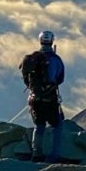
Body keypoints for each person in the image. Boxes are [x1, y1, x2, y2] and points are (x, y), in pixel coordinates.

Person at [20, 30, 65, 163]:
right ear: (52, 41)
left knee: (39, 126)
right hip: (50, 99)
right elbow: (60, 79)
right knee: (58, 125)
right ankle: (53, 156)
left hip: (34, 99)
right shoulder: (55, 60)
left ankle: (36, 154)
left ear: (40, 41)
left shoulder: (32, 59)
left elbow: (26, 80)